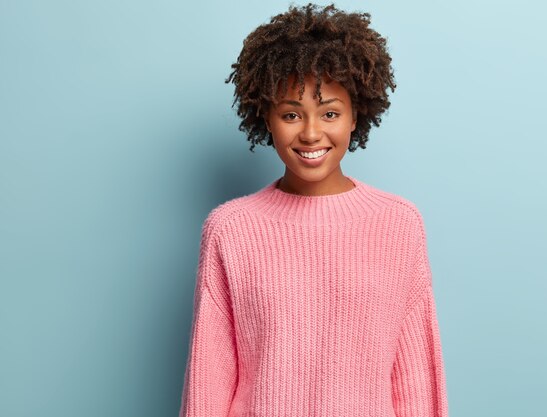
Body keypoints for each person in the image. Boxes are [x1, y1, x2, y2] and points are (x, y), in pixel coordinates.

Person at [178, 3, 449, 416]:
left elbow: (415, 381)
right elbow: (209, 381)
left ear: (355, 115)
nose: (310, 133)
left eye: (330, 113)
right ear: (265, 118)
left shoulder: (398, 224)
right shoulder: (230, 229)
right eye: (291, 113)